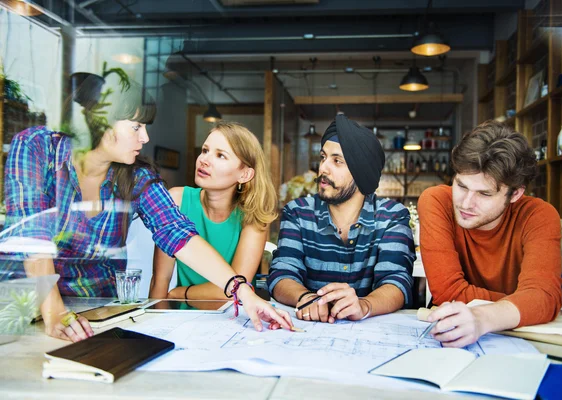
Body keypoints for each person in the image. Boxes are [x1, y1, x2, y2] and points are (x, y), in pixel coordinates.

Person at [2, 76, 292, 342]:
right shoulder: (36, 148)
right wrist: (54, 311)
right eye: (136, 127)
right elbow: (33, 238)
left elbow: (177, 234)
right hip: (23, 309)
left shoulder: (137, 177)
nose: (145, 138)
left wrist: (242, 292)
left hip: (97, 316)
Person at [417, 120, 562, 348]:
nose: (465, 203)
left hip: (521, 341)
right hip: (452, 336)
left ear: (515, 194)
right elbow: (448, 292)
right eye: (461, 186)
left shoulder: (539, 215)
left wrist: (483, 318)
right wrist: (522, 303)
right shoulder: (436, 201)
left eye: (484, 194)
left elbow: (543, 297)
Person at [268, 114, 415, 323]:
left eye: (337, 161)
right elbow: (282, 273)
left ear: (361, 172)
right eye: (322, 157)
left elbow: (397, 281)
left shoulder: (391, 217)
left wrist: (364, 305)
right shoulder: (298, 213)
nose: (323, 168)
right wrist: (306, 298)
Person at [150, 121, 277, 300]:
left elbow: (234, 294)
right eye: (204, 150)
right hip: (179, 320)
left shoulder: (253, 218)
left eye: (220, 155)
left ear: (245, 175)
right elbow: (159, 282)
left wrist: (180, 294)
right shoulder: (176, 200)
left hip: (233, 321)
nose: (204, 160)